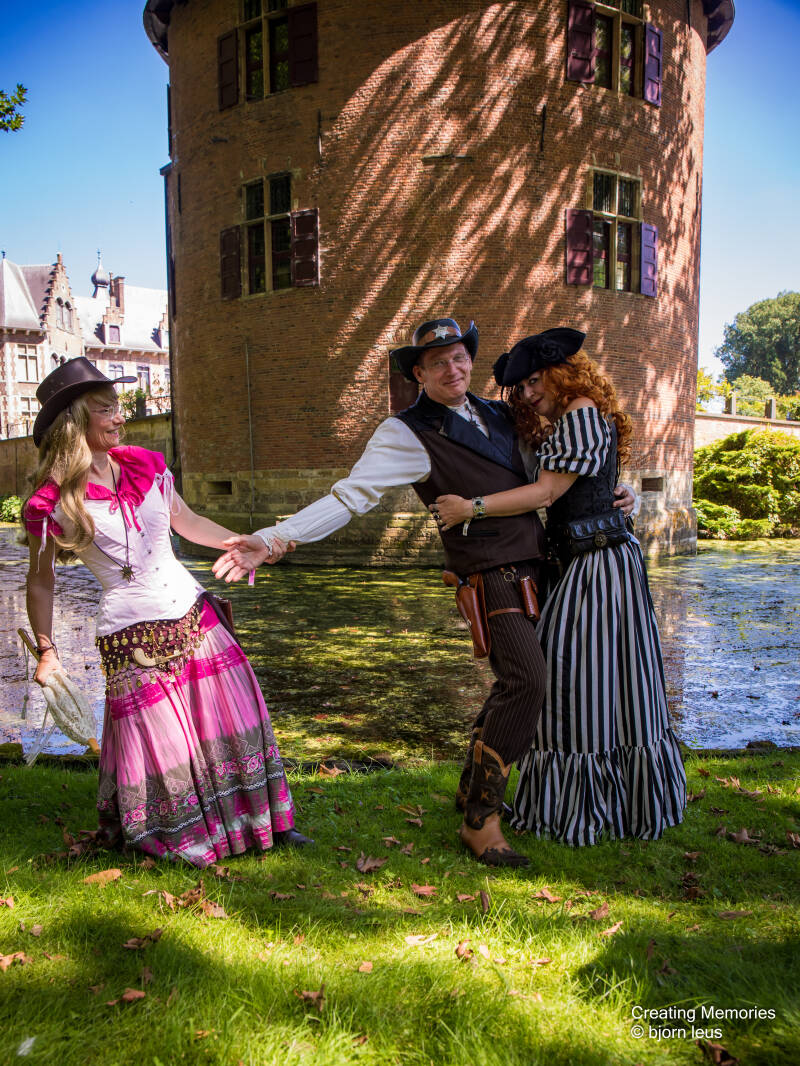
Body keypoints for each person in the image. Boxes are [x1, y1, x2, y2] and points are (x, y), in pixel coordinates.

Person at [213, 318, 634, 867]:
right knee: (528, 680)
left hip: (544, 566)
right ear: (419, 373)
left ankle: (469, 790)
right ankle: (481, 821)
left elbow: (556, 478)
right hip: (489, 573)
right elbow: (349, 497)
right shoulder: (405, 432)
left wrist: (619, 493)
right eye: (438, 363)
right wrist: (274, 538)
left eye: (459, 358)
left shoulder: (504, 413)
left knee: (518, 683)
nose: (452, 369)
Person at [22, 357, 309, 867]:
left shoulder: (146, 465)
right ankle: (178, 837)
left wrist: (245, 542)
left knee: (233, 721)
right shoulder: (51, 504)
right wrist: (47, 650)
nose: (119, 417)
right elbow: (41, 581)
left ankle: (265, 823)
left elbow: (187, 522)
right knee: (166, 747)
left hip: (195, 614)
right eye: (106, 409)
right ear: (75, 420)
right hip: (131, 636)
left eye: (117, 407)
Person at [432, 328, 686, 845]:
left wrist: (470, 507)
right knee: (575, 681)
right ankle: (488, 794)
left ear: (563, 374)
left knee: (576, 685)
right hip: (583, 564)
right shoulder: (576, 420)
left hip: (597, 568)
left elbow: (547, 492)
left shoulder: (581, 415)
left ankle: (579, 805)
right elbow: (587, 485)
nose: (527, 394)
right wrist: (624, 493)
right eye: (521, 387)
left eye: (534, 381)